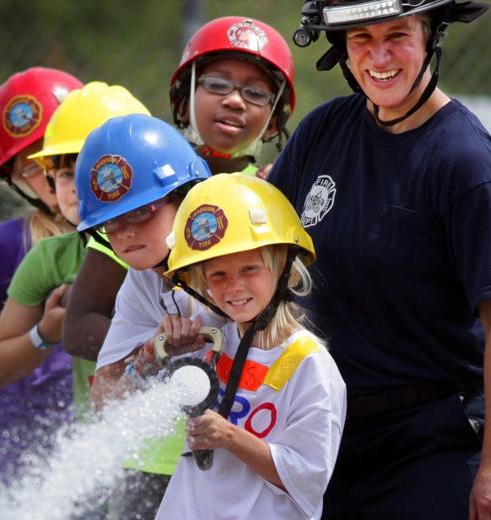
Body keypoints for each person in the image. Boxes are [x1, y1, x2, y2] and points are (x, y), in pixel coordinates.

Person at [268, 1, 491, 518]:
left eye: (398, 34)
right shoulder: (323, 130)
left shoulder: (466, 162)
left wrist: (489, 466)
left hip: (430, 444)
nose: (380, 55)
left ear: (431, 35)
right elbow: (262, 258)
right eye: (361, 38)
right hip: (320, 431)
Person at [62, 15, 296, 365]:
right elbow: (80, 324)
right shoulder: (137, 191)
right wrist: (165, 351)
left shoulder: (271, 194)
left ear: (274, 120)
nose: (235, 100)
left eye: (256, 93)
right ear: (184, 101)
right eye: (217, 84)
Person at [122, 172, 345, 519]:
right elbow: (124, 402)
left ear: (282, 266)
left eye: (250, 268)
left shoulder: (308, 363)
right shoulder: (208, 346)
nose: (234, 287)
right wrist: (153, 353)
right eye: (218, 275)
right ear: (201, 284)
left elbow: (309, 477)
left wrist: (229, 436)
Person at [73, 113, 222, 518]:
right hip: (166, 465)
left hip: (244, 456)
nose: (123, 232)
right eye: (109, 223)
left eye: (141, 212)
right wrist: (149, 357)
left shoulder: (236, 261)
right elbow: (104, 399)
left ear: (186, 196)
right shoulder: (142, 281)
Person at [0, 67, 83, 518]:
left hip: (79, 459)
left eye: (61, 159)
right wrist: (25, 340)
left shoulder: (127, 244)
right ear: (12, 175)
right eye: (31, 165)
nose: (49, 177)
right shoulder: (11, 241)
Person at [0, 82, 150, 426]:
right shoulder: (49, 259)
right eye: (64, 172)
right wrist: (44, 332)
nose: (78, 184)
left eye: (96, 168)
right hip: (101, 442)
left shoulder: (164, 244)